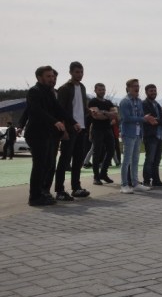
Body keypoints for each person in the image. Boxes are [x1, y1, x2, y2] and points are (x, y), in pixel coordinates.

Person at [24, 66, 69, 206]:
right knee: (39, 165)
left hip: (47, 134)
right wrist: (54, 121)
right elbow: (37, 111)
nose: (52, 79)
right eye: (48, 76)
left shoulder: (49, 92)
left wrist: (73, 123)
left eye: (53, 76)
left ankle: (43, 192)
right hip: (36, 134)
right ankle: (34, 197)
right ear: (39, 77)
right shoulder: (34, 91)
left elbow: (59, 109)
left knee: (49, 164)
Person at [55, 61, 91, 200]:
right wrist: (64, 130)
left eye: (81, 72)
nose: (80, 75)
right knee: (64, 160)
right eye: (77, 72)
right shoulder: (64, 89)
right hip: (70, 128)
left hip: (81, 128)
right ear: (70, 72)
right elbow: (61, 110)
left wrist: (90, 111)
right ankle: (59, 190)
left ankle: (76, 187)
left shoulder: (82, 87)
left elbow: (81, 107)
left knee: (78, 160)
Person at [119, 79, 156, 193]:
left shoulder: (139, 101)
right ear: (128, 88)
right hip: (129, 134)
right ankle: (124, 184)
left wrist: (146, 118)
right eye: (134, 86)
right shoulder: (125, 102)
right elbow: (126, 118)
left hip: (138, 133)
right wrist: (143, 118)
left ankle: (135, 183)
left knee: (135, 159)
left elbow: (140, 116)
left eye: (138, 86)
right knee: (127, 160)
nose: (137, 88)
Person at [142, 84, 162, 187]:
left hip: (159, 135)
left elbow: (160, 119)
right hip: (150, 135)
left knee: (157, 159)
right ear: (146, 92)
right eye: (151, 91)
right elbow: (151, 121)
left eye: (154, 91)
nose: (153, 93)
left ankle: (156, 180)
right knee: (150, 159)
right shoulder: (145, 104)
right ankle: (146, 180)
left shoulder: (157, 104)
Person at [87, 83, 118, 185]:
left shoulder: (108, 102)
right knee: (97, 152)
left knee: (111, 150)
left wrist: (103, 112)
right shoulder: (93, 101)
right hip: (97, 129)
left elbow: (115, 115)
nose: (102, 91)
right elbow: (96, 116)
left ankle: (103, 173)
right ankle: (96, 177)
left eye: (103, 89)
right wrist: (107, 114)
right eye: (100, 90)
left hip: (107, 129)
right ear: (95, 91)